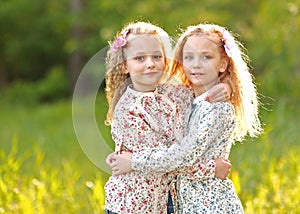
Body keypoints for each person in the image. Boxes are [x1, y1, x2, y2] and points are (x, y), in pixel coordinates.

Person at [108, 23, 263, 213]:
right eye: (189, 57)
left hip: (206, 205)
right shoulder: (136, 108)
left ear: (222, 64)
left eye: (206, 57)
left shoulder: (207, 106)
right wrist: (211, 168)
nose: (196, 64)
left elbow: (180, 157)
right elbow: (167, 161)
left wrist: (228, 84)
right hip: (136, 204)